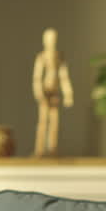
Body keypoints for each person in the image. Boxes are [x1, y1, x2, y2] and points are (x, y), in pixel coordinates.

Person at [32, 27, 73, 157]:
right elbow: (37, 77)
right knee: (43, 121)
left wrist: (68, 94)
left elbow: (64, 77)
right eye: (49, 39)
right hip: (45, 92)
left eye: (53, 39)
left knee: (54, 121)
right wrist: (39, 92)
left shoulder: (58, 57)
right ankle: (39, 149)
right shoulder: (42, 57)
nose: (52, 41)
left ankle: (52, 149)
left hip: (55, 92)